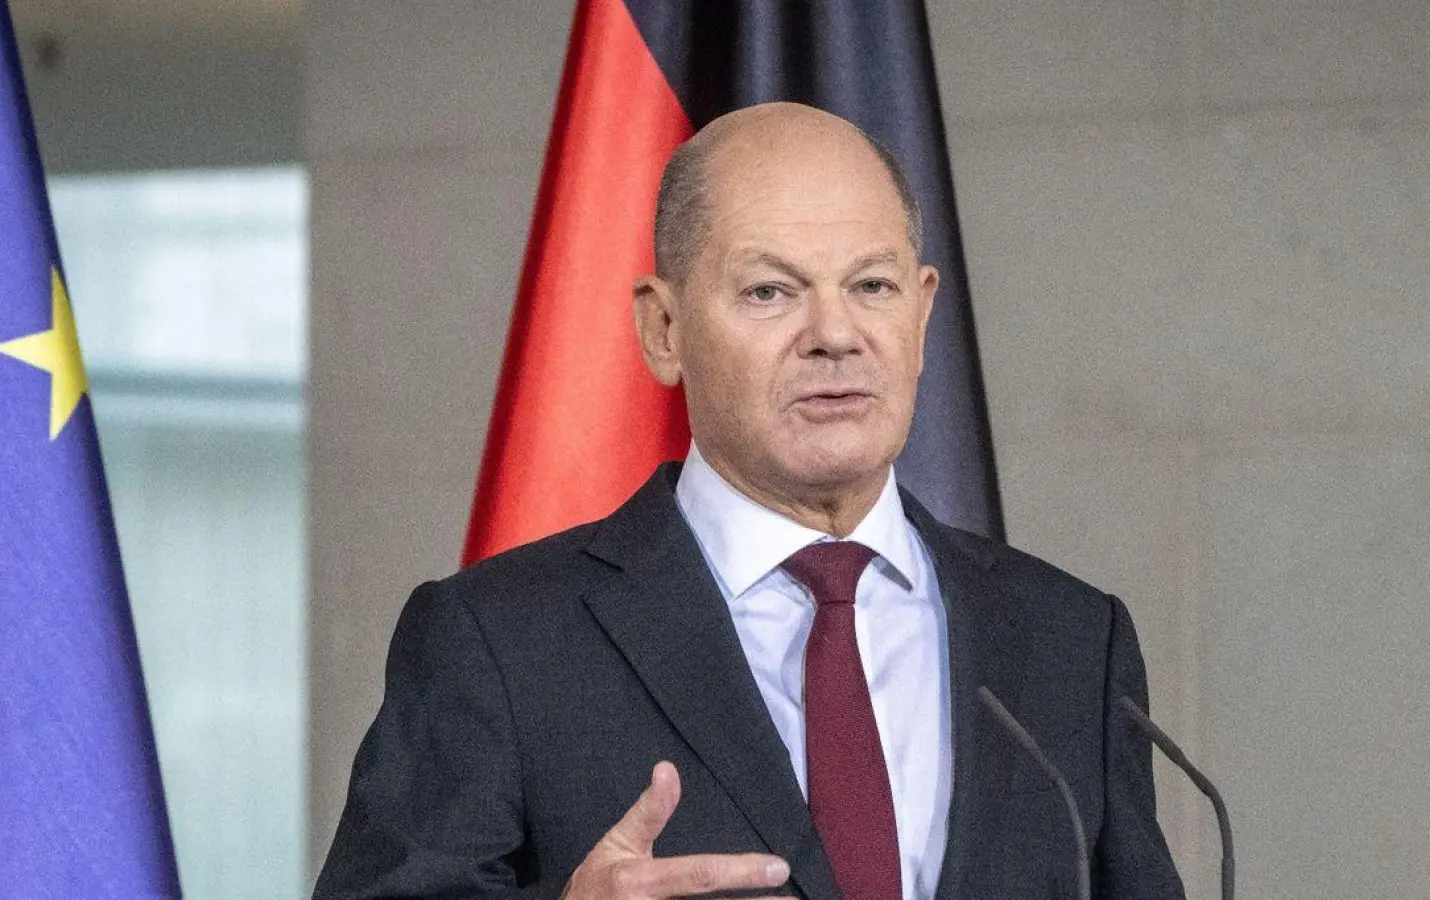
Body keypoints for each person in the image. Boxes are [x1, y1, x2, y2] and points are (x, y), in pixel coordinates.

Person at [314, 102, 1184, 900]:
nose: (835, 335)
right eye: (770, 290)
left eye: (871, 286)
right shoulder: (498, 641)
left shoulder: (1070, 639)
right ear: (664, 329)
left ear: (921, 316)